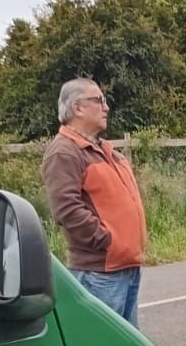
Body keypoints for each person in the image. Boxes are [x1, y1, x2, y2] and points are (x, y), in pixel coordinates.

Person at [40, 77, 148, 325]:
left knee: (126, 344)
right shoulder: (64, 152)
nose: (106, 107)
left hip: (126, 267)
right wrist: (107, 241)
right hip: (99, 272)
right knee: (103, 345)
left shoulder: (106, 151)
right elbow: (67, 210)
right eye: (99, 100)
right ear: (77, 107)